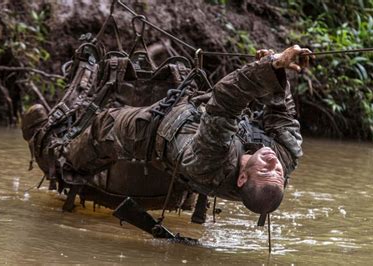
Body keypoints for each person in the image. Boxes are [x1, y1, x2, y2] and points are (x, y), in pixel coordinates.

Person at [22, 45, 312, 222]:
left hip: (154, 132)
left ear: (241, 178)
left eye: (265, 170)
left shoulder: (212, 162)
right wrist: (277, 69)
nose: (273, 163)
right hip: (195, 120)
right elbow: (282, 111)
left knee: (101, 127)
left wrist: (267, 66)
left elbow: (225, 101)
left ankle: (57, 158)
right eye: (278, 171)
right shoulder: (285, 159)